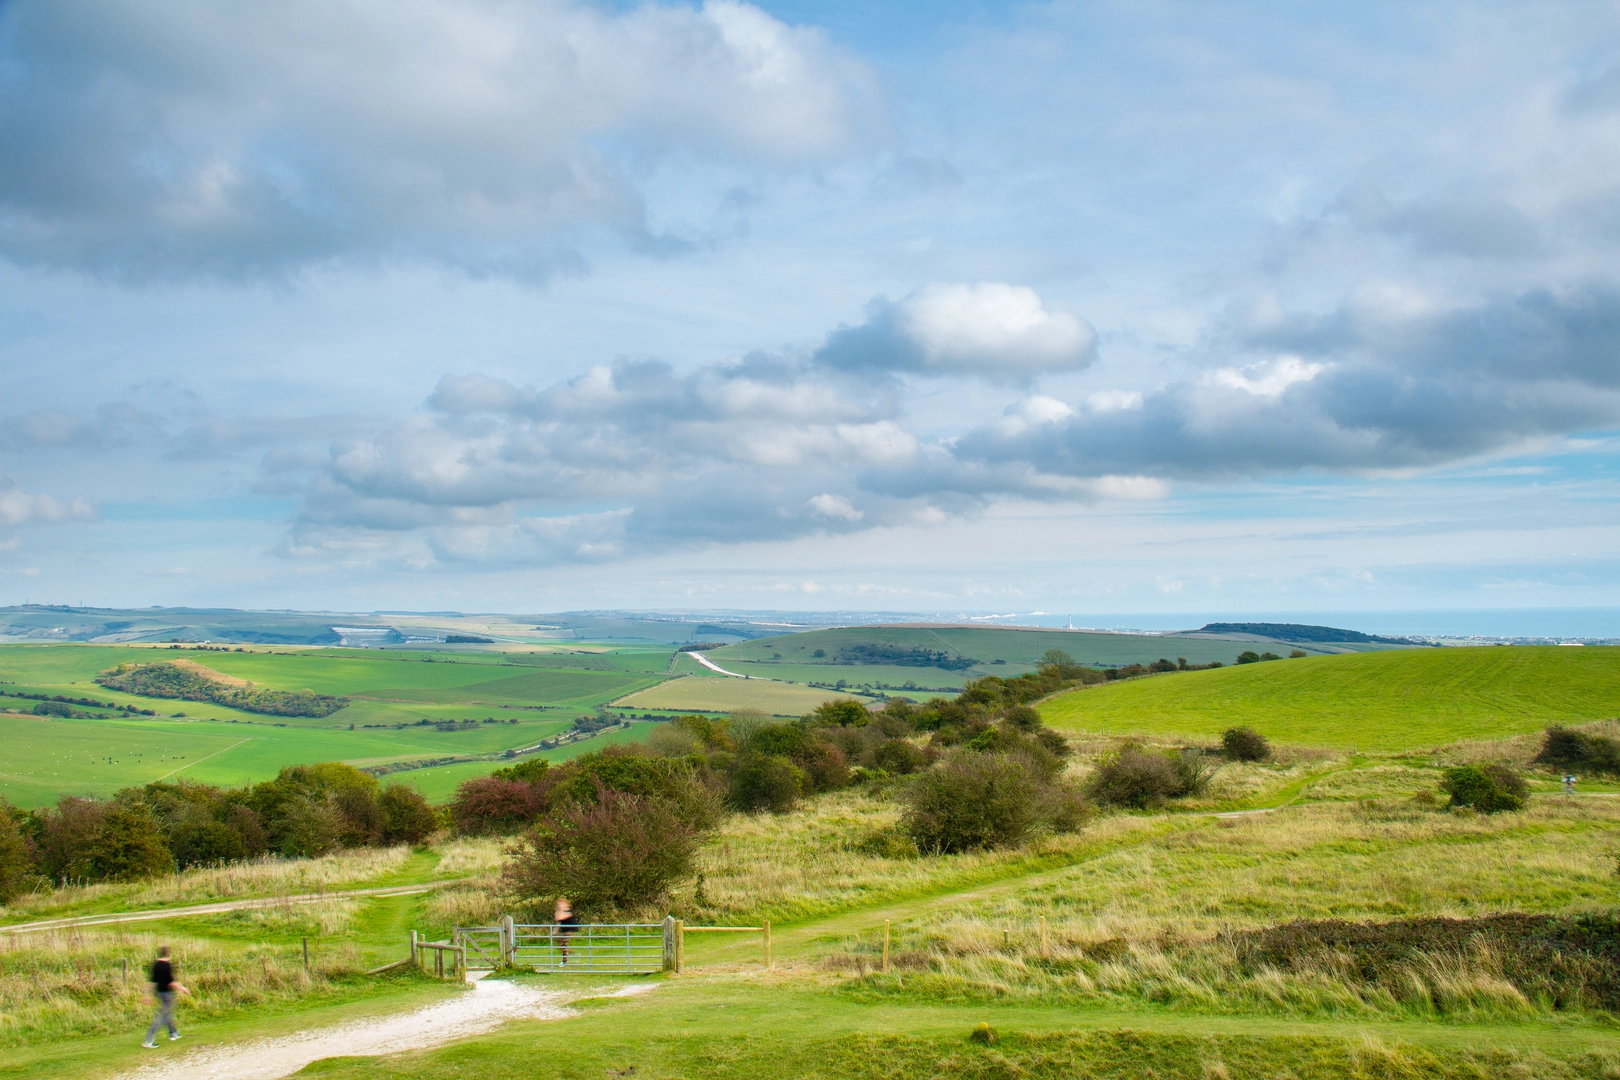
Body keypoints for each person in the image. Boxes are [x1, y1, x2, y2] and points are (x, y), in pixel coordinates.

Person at [142, 945, 189, 1048]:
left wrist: (146, 996)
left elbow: (152, 981)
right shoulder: (167, 965)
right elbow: (171, 982)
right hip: (167, 994)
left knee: (168, 1013)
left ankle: (173, 1033)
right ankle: (148, 1040)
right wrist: (183, 988)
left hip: (159, 993)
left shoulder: (156, 965)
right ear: (168, 954)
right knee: (162, 1016)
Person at [554, 897, 579, 966]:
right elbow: (558, 921)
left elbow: (558, 918)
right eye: (558, 904)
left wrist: (560, 910)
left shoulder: (568, 912)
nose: (559, 906)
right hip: (564, 931)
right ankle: (572, 953)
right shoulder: (562, 912)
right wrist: (554, 932)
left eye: (561, 904)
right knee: (561, 945)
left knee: (564, 945)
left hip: (568, 931)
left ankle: (565, 961)